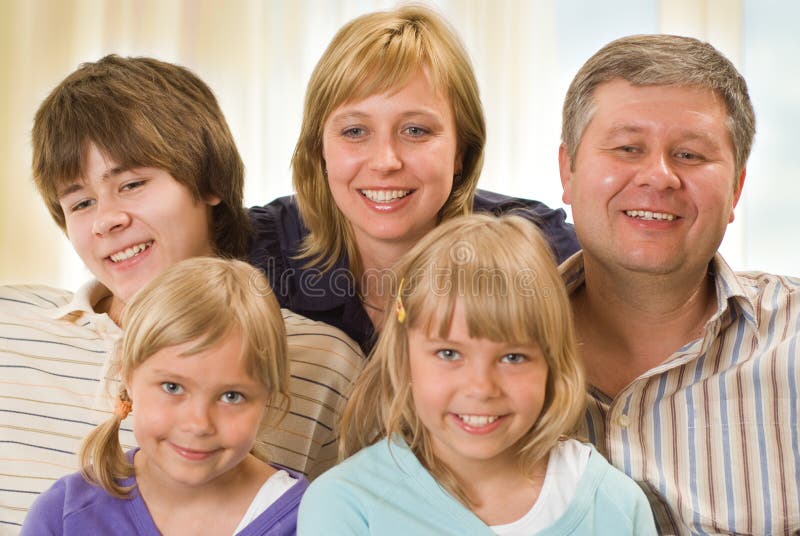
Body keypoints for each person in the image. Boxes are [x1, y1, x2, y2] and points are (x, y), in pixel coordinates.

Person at [1, 55, 363, 532]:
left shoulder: (324, 361)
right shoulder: (10, 325)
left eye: (131, 184)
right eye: (82, 202)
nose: (107, 219)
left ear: (209, 181)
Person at [558, 34, 800, 534]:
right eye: (628, 148)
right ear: (568, 169)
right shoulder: (461, 346)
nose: (660, 176)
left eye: (690, 155)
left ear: (735, 189)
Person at [298, 214, 657, 535]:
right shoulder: (346, 505)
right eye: (449, 353)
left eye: (513, 357)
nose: (482, 388)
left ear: (552, 365)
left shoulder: (614, 505)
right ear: (404, 360)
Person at [249, 5, 580, 353]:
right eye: (355, 130)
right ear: (320, 149)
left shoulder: (536, 247)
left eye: (416, 130)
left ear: (460, 151)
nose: (385, 161)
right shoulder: (261, 246)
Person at [21, 257, 307, 535]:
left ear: (268, 396)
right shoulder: (63, 515)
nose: (198, 424)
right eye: (173, 387)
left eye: (231, 396)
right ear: (127, 376)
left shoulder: (312, 519)